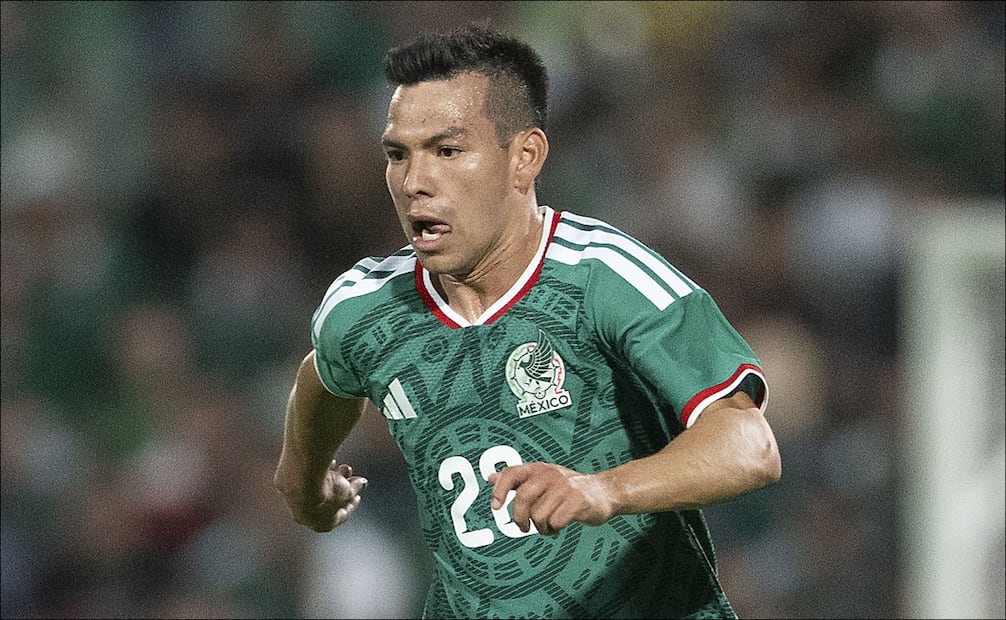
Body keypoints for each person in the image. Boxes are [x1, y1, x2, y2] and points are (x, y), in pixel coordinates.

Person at [274, 24, 781, 619]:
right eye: (397, 154)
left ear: (525, 157)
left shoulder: (602, 277)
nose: (414, 182)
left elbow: (749, 445)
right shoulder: (365, 308)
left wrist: (603, 489)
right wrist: (306, 486)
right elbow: (326, 376)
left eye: (446, 150)